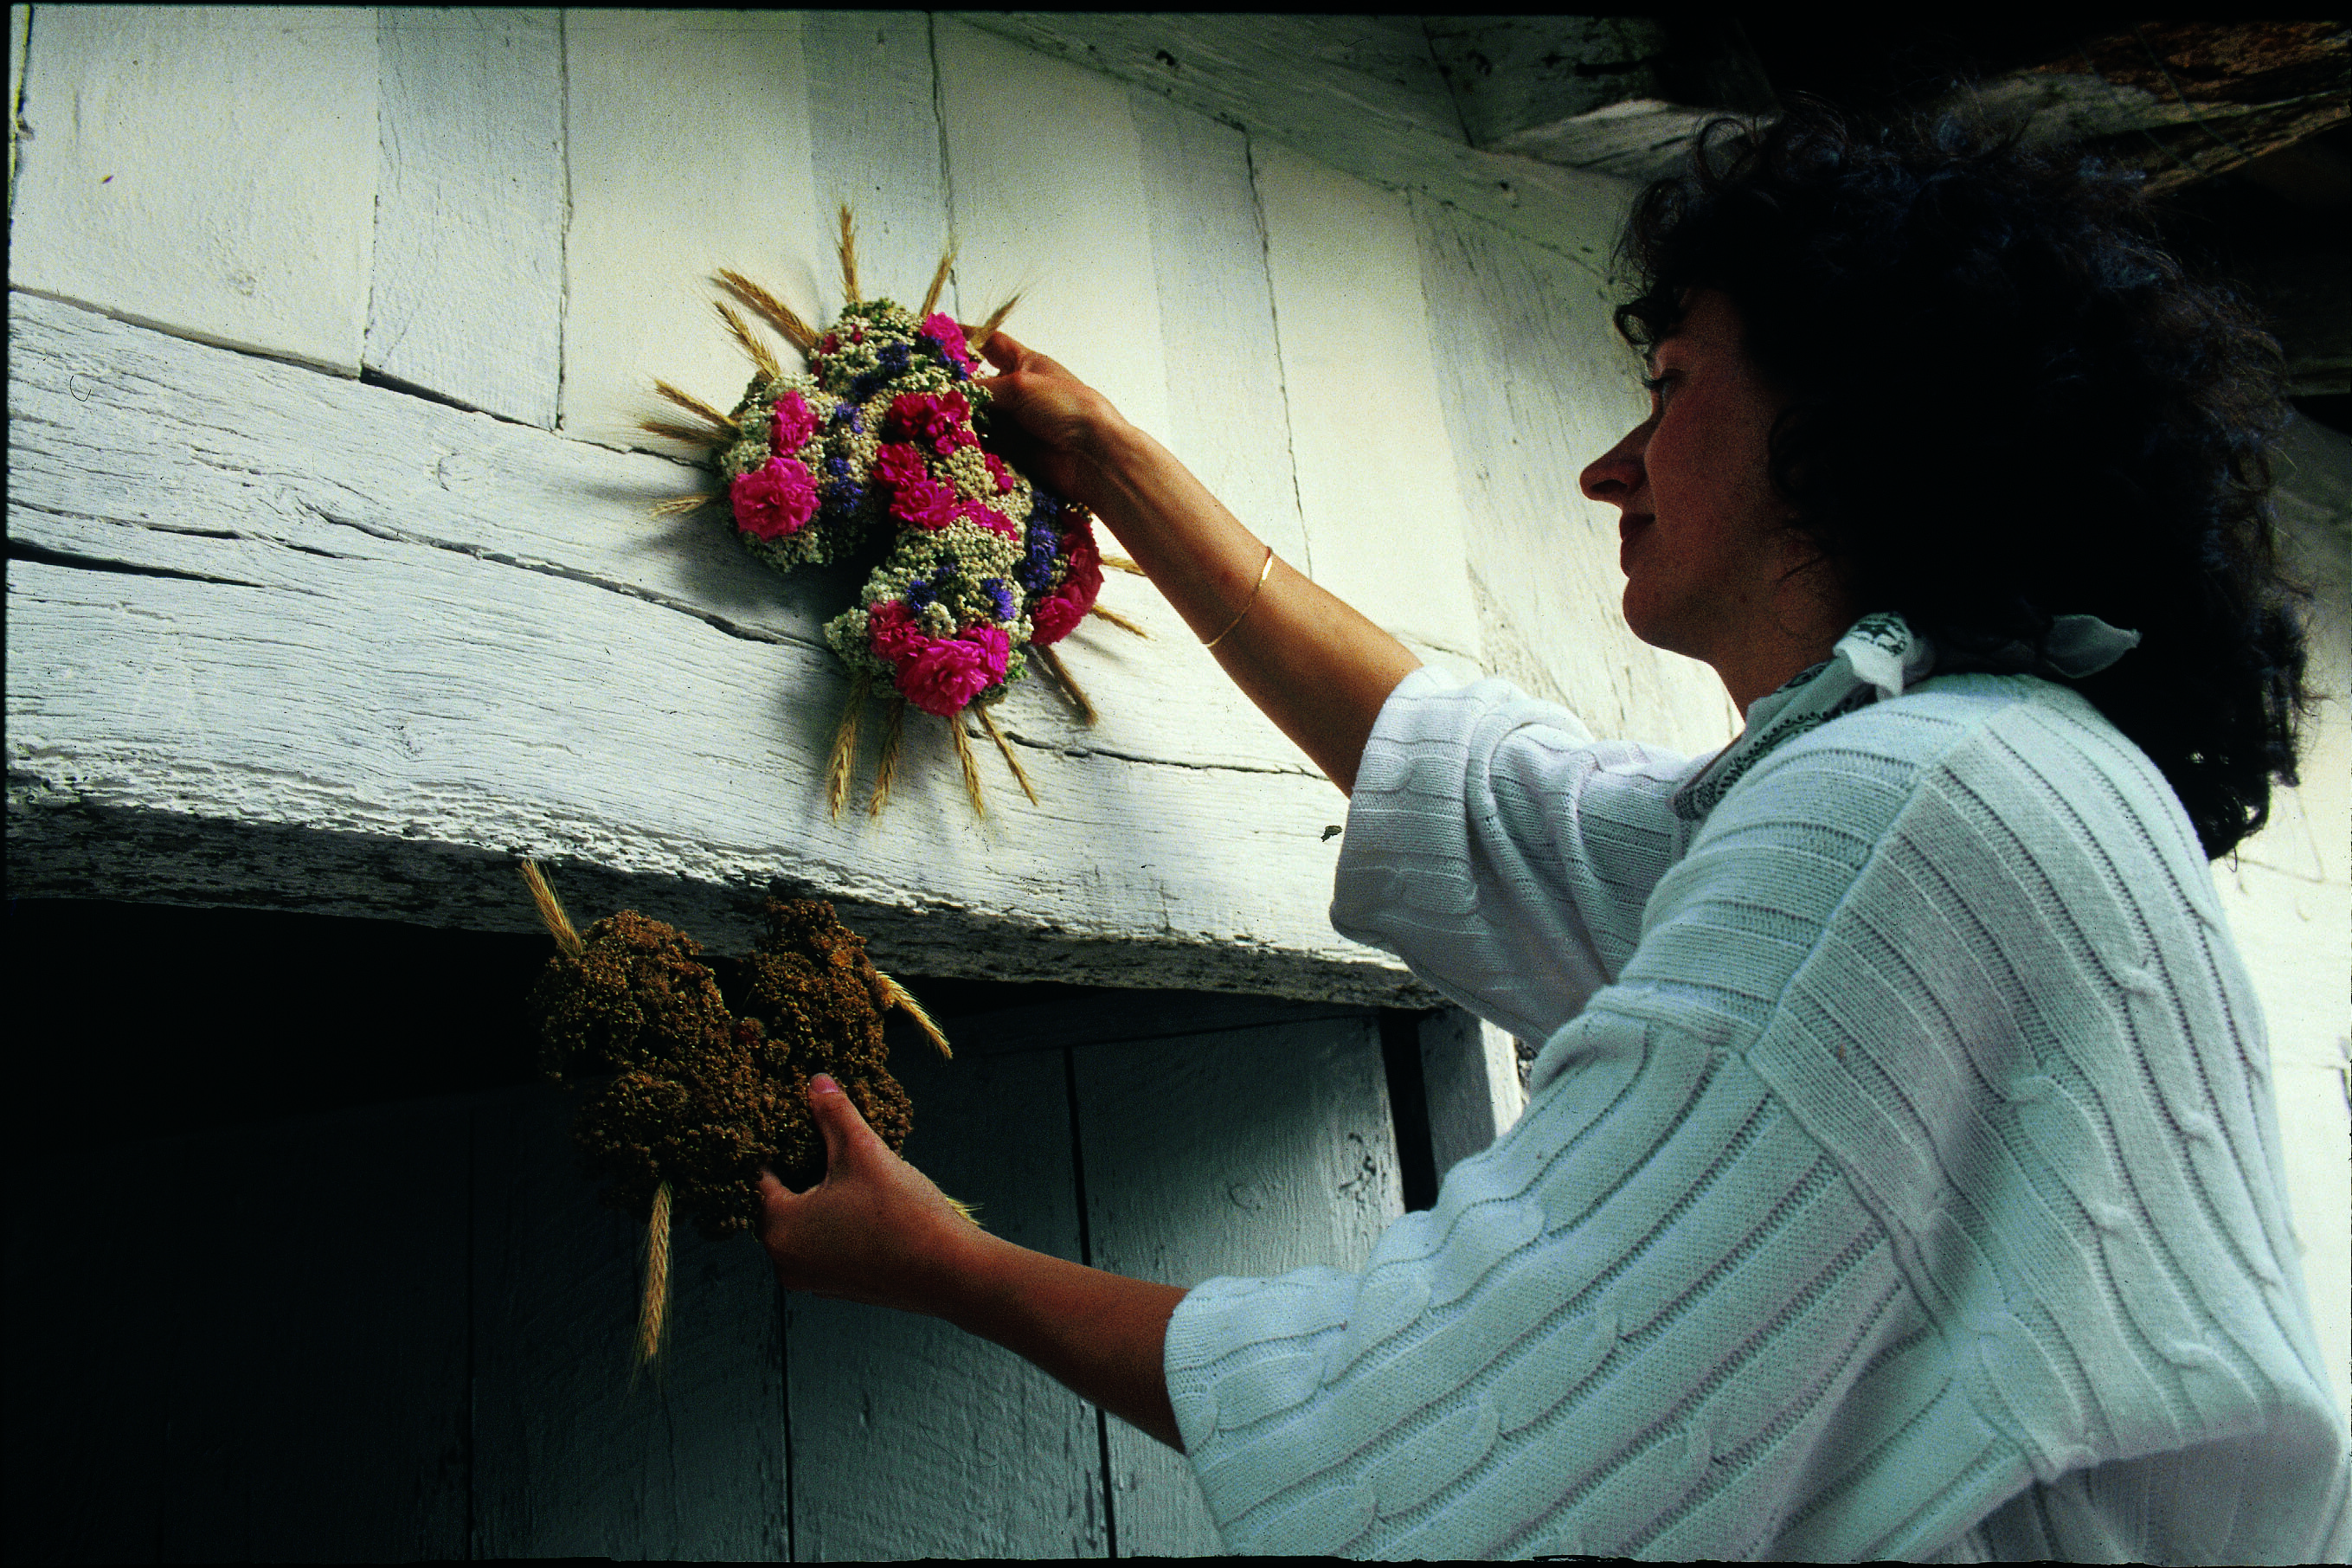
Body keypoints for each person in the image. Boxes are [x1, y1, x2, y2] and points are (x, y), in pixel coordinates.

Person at [755, 104, 2352, 1559]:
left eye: (1667, 392)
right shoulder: (1980, 774)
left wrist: (950, 1266)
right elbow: (1500, 806)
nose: (1607, 468)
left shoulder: (1909, 811)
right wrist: (1114, 466)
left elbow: (1446, 1406)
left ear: (1855, 425)